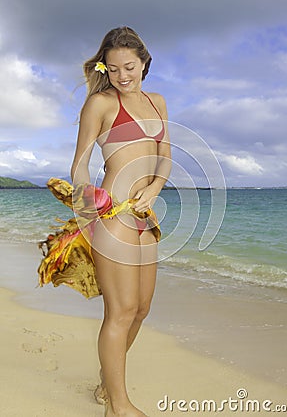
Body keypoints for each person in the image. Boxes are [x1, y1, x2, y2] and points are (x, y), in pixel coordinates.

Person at [70, 27, 171, 417]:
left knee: (142, 309)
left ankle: (105, 383)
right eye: (112, 69)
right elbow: (80, 164)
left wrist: (157, 186)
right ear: (105, 69)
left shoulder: (157, 101)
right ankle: (119, 405)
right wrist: (86, 208)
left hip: (146, 217)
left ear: (144, 62)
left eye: (129, 66)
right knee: (120, 311)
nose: (122, 76)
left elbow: (164, 156)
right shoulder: (100, 104)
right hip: (113, 216)